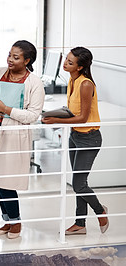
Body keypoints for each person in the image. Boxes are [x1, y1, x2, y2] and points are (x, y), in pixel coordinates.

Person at [0, 40, 45, 239]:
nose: (10, 60)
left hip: (15, 134)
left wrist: (6, 110)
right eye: (9, 55)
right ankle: (7, 220)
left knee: (6, 179)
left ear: (27, 60)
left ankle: (15, 221)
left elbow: (33, 115)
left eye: (16, 57)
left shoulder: (34, 82)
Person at [42, 47, 109, 235]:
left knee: (79, 184)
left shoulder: (85, 84)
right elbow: (72, 110)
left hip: (89, 138)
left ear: (80, 67)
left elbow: (83, 118)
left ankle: (101, 211)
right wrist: (54, 114)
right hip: (75, 136)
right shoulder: (72, 80)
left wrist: (56, 120)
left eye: (70, 63)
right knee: (79, 181)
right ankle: (80, 223)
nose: (65, 64)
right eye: (66, 59)